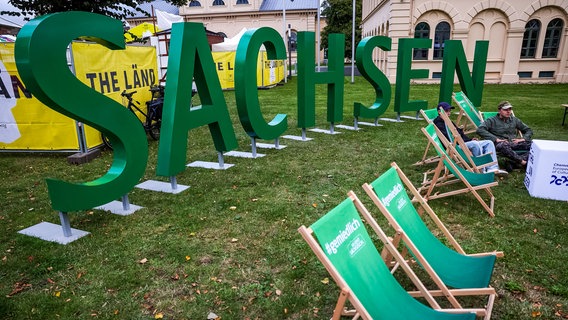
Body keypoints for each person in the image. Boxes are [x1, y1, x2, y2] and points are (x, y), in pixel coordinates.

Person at [434, 102, 508, 175]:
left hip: (460, 143)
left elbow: (460, 133)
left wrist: (469, 140)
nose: (449, 113)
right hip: (452, 146)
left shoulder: (447, 121)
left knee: (489, 142)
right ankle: (481, 169)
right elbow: (449, 138)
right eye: (447, 111)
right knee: (475, 144)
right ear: (439, 112)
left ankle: (493, 168)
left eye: (449, 111)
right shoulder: (439, 124)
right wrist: (465, 141)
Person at [476, 101, 532, 167]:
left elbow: (528, 130)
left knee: (534, 145)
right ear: (499, 111)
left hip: (513, 143)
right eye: (505, 110)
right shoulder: (491, 120)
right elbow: (480, 130)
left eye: (510, 109)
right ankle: (523, 162)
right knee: (503, 145)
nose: (508, 112)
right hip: (500, 144)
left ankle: (513, 163)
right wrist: (495, 139)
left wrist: (523, 139)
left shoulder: (515, 120)